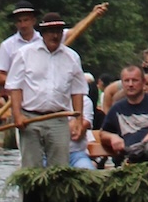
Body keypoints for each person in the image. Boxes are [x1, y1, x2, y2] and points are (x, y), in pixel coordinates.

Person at [8, 13, 91, 170]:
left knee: (59, 169)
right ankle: (32, 195)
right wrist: (17, 115)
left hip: (59, 118)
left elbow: (78, 90)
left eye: (58, 31)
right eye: (51, 31)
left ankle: (56, 195)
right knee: (31, 168)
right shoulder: (25, 54)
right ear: (43, 33)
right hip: (30, 118)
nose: (55, 35)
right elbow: (14, 86)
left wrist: (78, 119)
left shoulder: (72, 57)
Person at [93, 63, 148, 163]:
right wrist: (112, 137)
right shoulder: (117, 107)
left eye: (135, 80)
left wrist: (142, 146)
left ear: (143, 82)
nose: (130, 84)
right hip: (125, 161)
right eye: (126, 81)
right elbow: (103, 133)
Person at [0, 3, 40, 95]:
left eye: (26, 20)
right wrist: (21, 82)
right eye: (19, 21)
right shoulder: (7, 45)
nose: (23, 25)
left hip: (41, 96)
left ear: (33, 20)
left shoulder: (43, 42)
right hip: (16, 97)